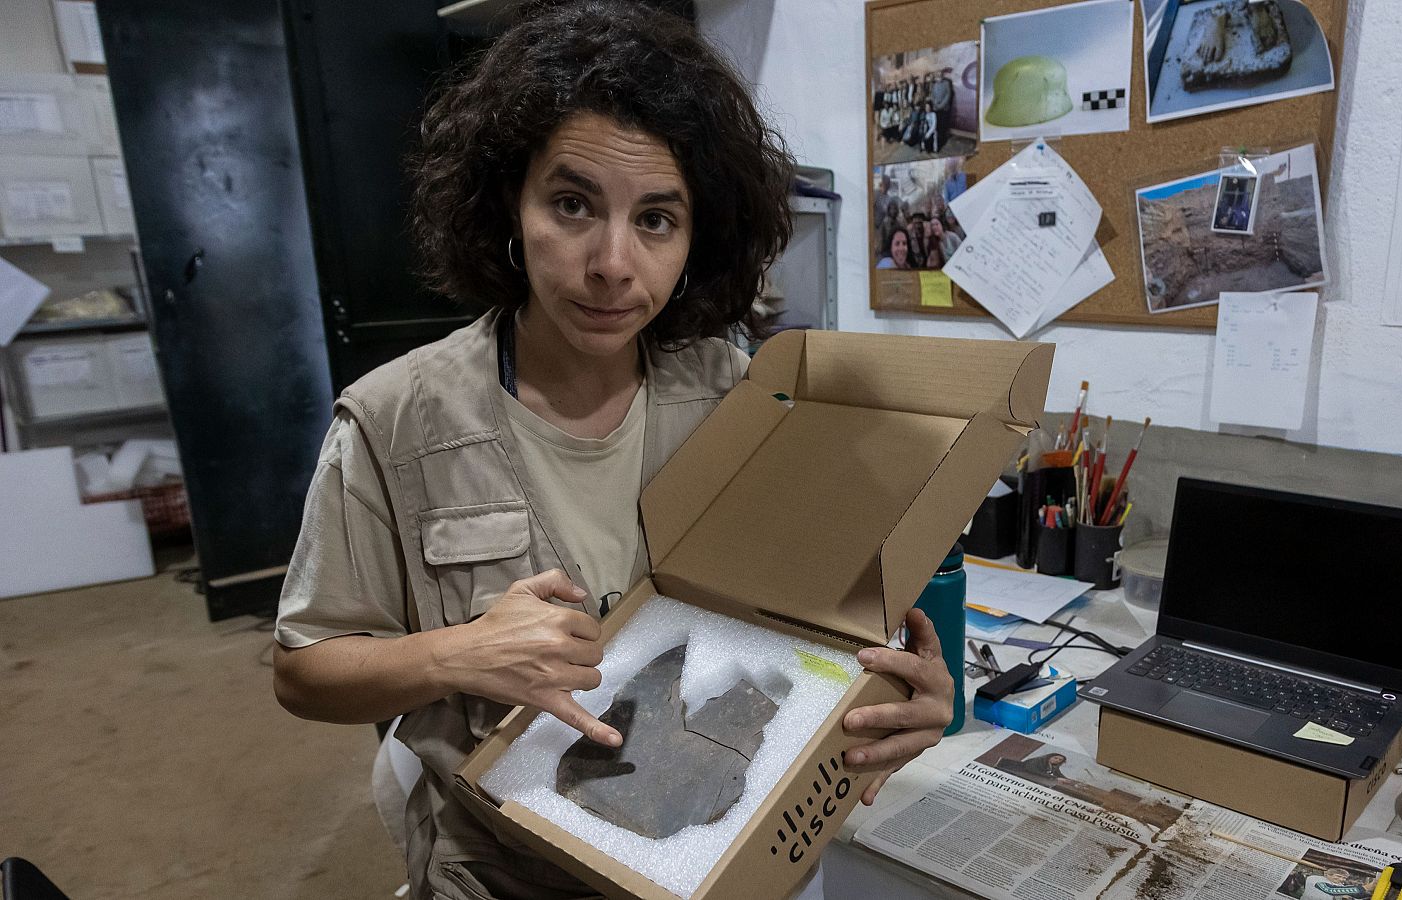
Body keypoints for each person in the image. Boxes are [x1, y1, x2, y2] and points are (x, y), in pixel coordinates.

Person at [271, 3, 956, 898]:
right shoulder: (397, 422)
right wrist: (456, 654)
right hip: (510, 869)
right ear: (508, 207)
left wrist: (903, 694)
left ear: (693, 239)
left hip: (719, 845)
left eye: (657, 220)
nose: (611, 263)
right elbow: (303, 669)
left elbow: (812, 618)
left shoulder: (741, 399)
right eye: (571, 204)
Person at [929, 66, 955, 152]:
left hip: (944, 108)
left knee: (943, 126)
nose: (939, 75)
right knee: (937, 125)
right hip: (936, 108)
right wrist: (935, 103)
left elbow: (948, 95)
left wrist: (941, 105)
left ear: (942, 75)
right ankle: (938, 142)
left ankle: (943, 141)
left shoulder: (947, 83)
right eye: (937, 74)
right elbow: (932, 95)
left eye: (940, 73)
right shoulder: (934, 84)